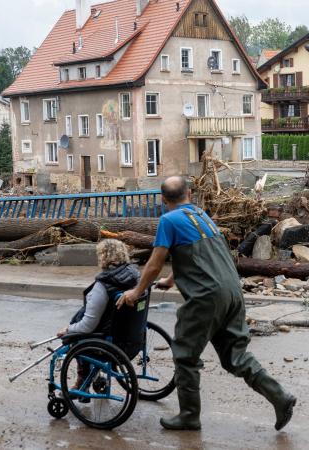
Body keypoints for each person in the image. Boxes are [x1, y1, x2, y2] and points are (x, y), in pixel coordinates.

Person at [118, 176, 296, 431]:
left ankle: (189, 415)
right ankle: (280, 397)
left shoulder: (168, 220)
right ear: (189, 194)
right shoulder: (201, 216)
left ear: (162, 199)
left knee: (185, 354)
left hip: (206, 297)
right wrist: (172, 278)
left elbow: (155, 263)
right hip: (232, 291)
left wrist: (137, 291)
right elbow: (200, 256)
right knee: (235, 356)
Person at [58, 239, 140, 393]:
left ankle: (82, 382)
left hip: (109, 341)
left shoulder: (102, 285)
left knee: (73, 340)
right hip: (131, 338)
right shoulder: (135, 276)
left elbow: (88, 325)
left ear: (103, 257)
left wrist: (68, 329)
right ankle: (94, 375)